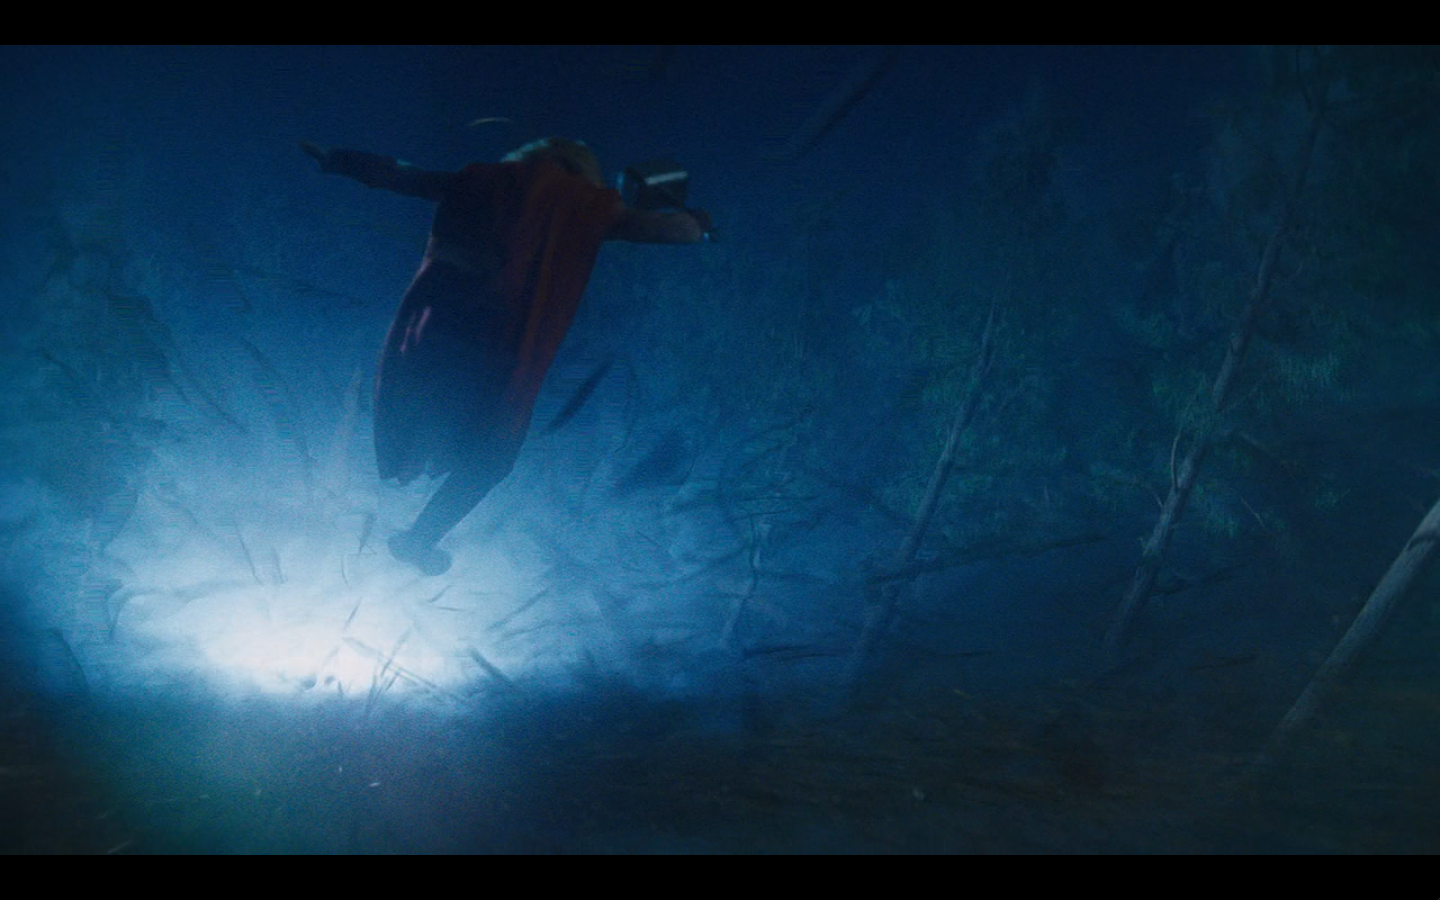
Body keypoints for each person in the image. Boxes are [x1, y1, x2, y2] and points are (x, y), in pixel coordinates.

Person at [302, 137, 711, 575]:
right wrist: (698, 221)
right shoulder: (587, 206)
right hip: (499, 344)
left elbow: (402, 174)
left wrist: (337, 159)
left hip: (437, 329)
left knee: (425, 416)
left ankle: (347, 505)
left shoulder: (478, 181)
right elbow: (676, 231)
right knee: (492, 453)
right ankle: (419, 537)